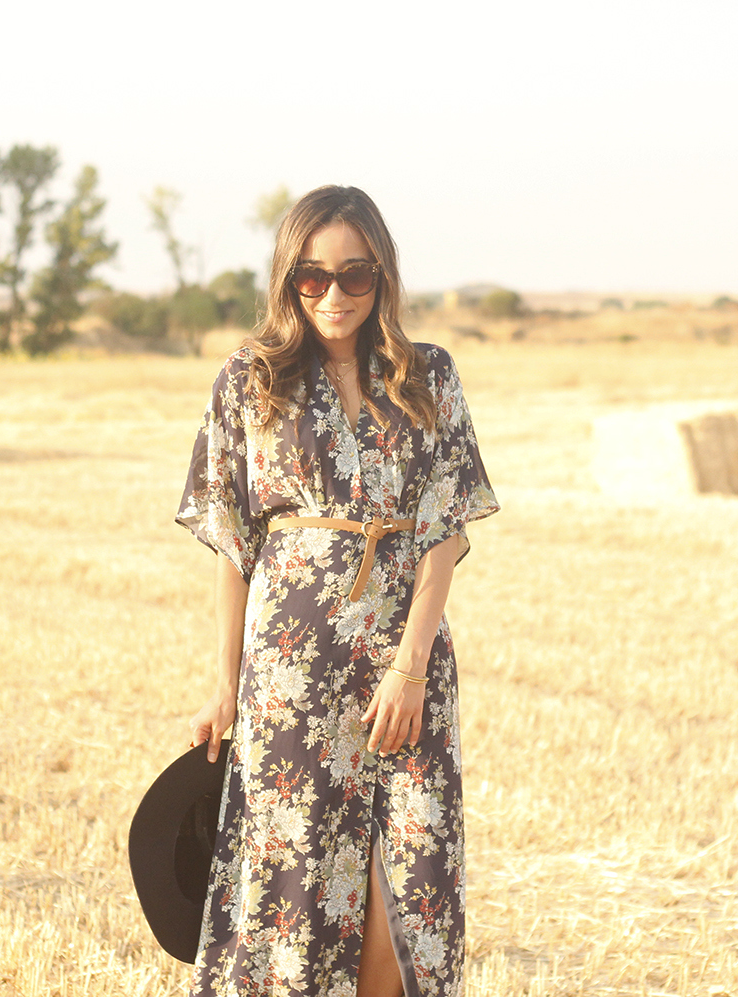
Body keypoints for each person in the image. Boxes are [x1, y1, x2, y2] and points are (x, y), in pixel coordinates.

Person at [178, 185, 499, 997]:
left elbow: (445, 529)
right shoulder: (250, 380)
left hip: (406, 670)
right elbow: (232, 543)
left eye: (355, 276)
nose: (333, 295)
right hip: (289, 677)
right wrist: (223, 683)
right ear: (287, 281)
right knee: (296, 885)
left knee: (409, 879)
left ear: (382, 277)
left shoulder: (427, 376)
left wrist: (411, 666)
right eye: (311, 278)